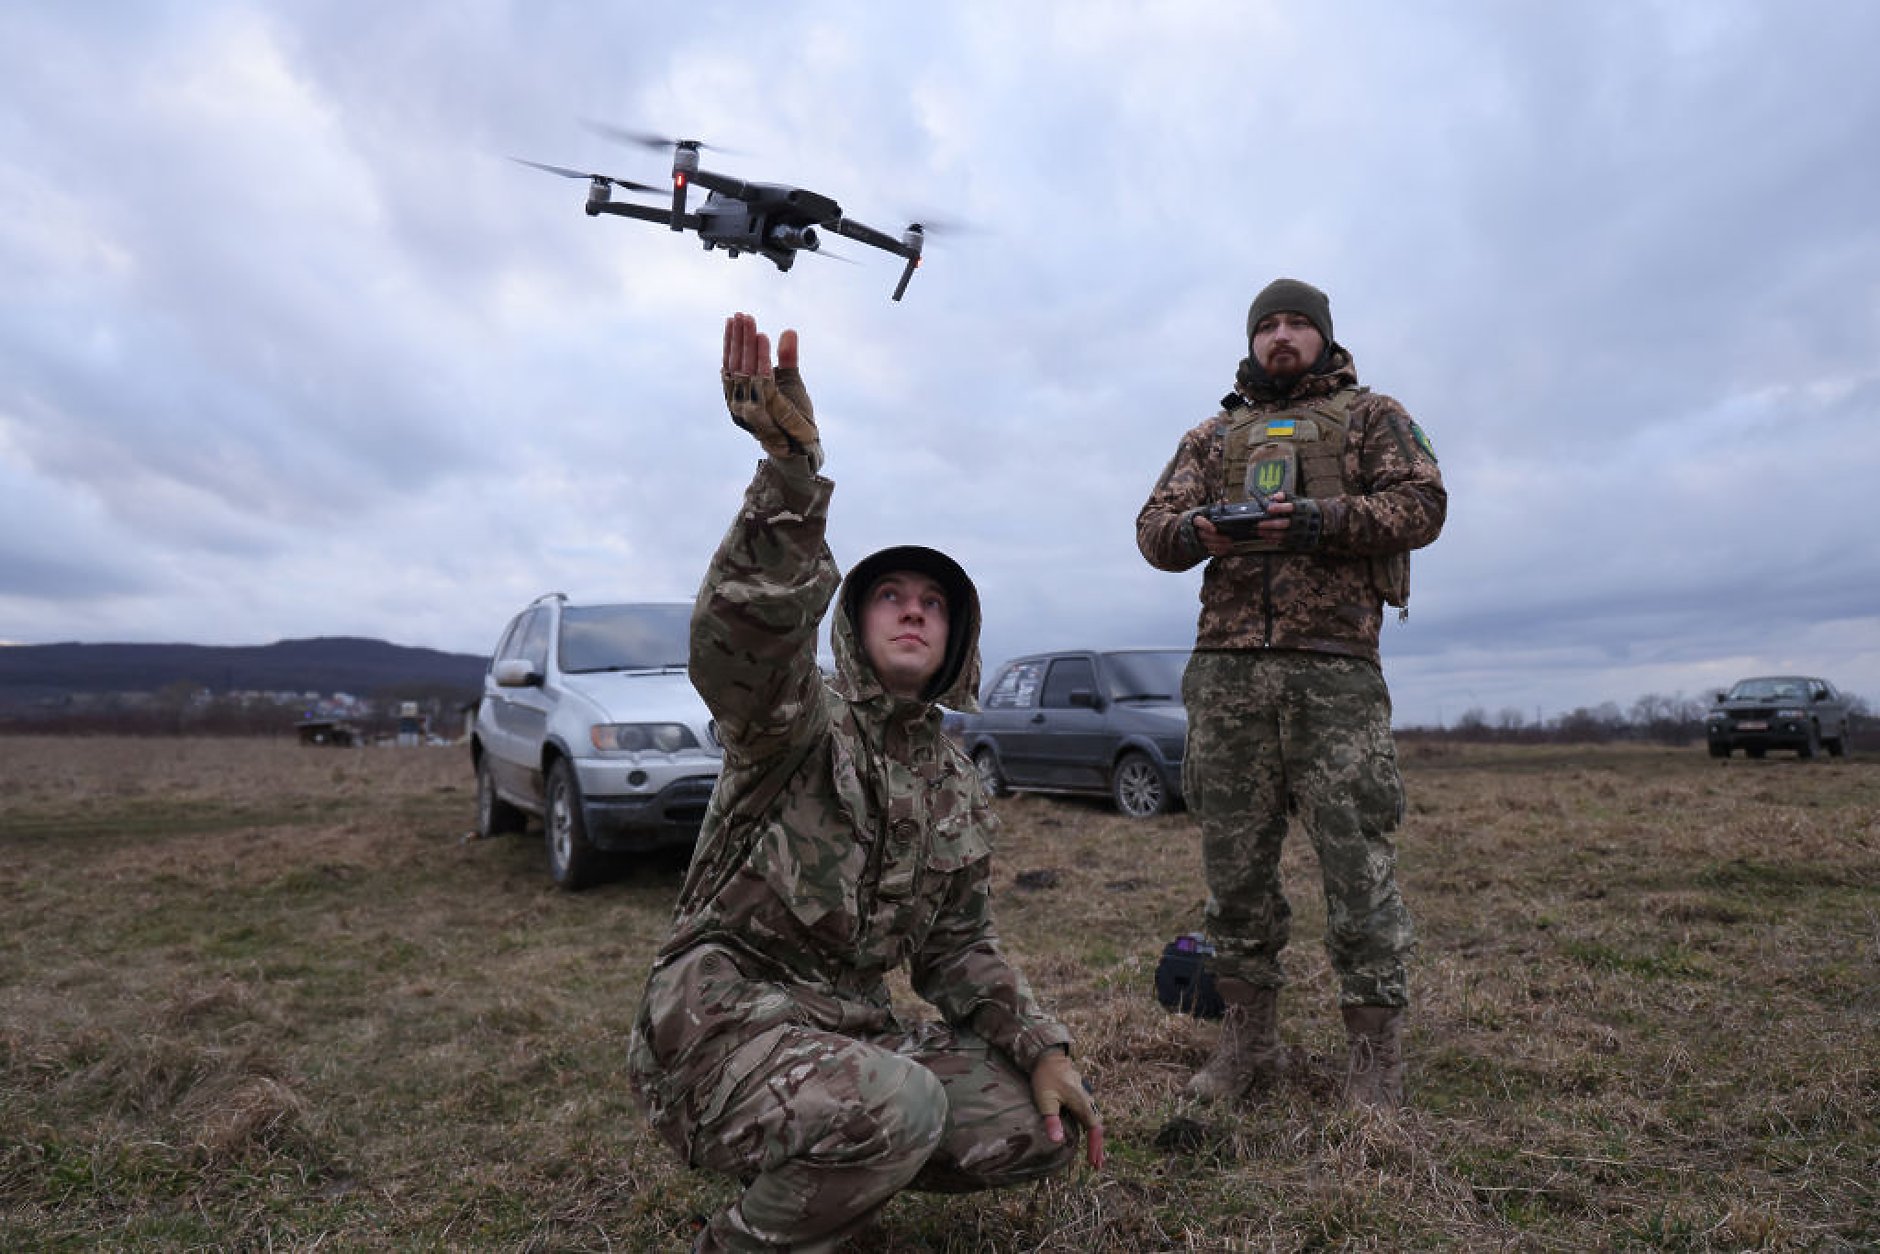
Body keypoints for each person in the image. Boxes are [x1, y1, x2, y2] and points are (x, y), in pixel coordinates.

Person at [628, 313, 1103, 1252]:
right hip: (719, 1029)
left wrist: (1043, 1047)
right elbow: (743, 640)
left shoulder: (955, 782)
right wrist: (791, 475)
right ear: (855, 622)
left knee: (1034, 1121)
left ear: (958, 639)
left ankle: (837, 1184)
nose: (915, 612)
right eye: (894, 596)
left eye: (934, 604)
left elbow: (959, 948)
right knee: (902, 1101)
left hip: (847, 1035)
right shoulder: (795, 721)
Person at [1136, 278, 1446, 1110]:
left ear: (1323, 337)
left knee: (1358, 866)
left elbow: (1421, 504)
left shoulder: (1373, 416)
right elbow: (1151, 530)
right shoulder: (1212, 435)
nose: (1281, 337)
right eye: (1267, 325)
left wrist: (1320, 522)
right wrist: (1199, 530)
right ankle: (1247, 1047)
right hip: (1228, 674)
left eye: (1296, 324)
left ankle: (1374, 1063)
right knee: (1234, 871)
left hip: (1334, 671)